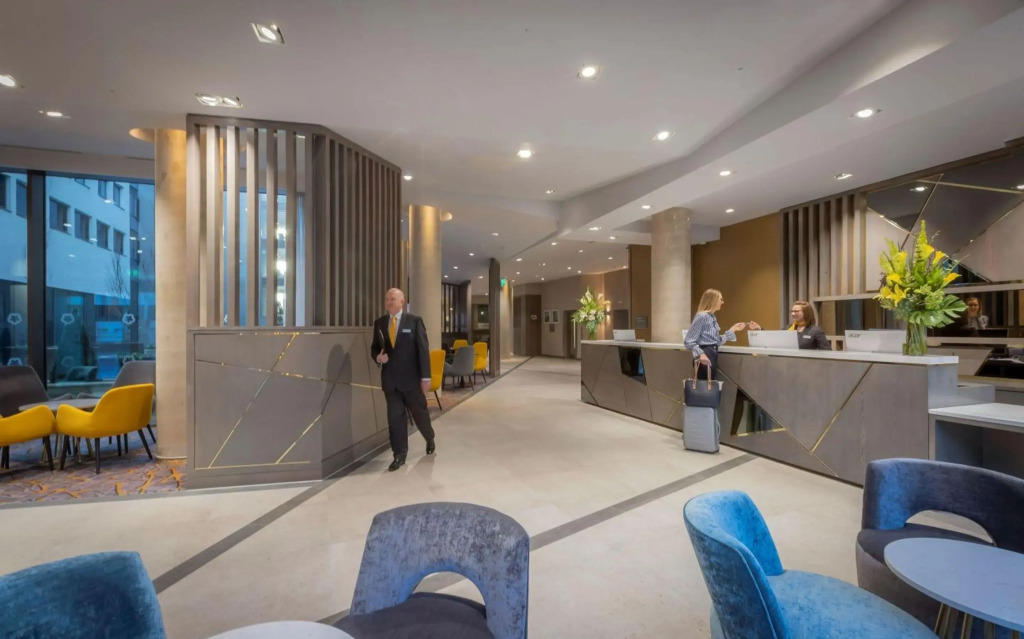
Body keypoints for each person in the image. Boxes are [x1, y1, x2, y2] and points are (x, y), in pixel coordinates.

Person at [370, 288, 436, 472]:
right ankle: (399, 454)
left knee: (420, 414)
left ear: (402, 302)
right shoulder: (380, 323)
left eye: (393, 299)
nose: (389, 302)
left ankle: (429, 437)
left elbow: (423, 350)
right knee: (395, 420)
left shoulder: (414, 321)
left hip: (412, 381)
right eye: (387, 299)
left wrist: (425, 376)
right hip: (391, 382)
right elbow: (374, 348)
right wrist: (378, 358)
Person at [683, 289, 748, 379]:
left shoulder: (712, 317)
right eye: (720, 299)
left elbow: (716, 341)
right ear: (713, 300)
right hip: (705, 354)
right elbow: (689, 341)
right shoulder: (702, 316)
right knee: (703, 384)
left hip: (712, 354)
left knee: (708, 383)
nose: (722, 302)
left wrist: (733, 329)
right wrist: (701, 354)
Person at [749, 301, 831, 350]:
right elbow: (775, 339)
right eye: (792, 311)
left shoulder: (816, 331)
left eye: (796, 311)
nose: (793, 314)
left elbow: (827, 351)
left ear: (806, 313)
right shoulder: (788, 328)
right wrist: (759, 329)